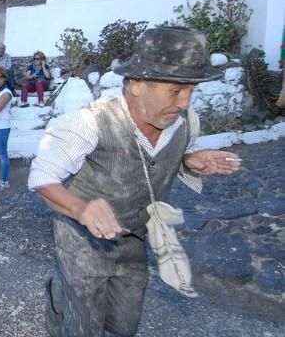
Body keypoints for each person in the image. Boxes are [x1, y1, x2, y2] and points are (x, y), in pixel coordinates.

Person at [28, 27, 242, 336]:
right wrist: (81, 209)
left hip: (134, 238)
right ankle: (60, 299)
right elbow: (42, 177)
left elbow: (159, 160)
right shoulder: (87, 122)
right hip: (80, 240)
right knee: (82, 325)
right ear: (138, 84)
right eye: (176, 90)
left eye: (191, 90)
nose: (184, 102)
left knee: (124, 324)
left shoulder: (185, 122)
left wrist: (188, 161)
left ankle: (67, 296)